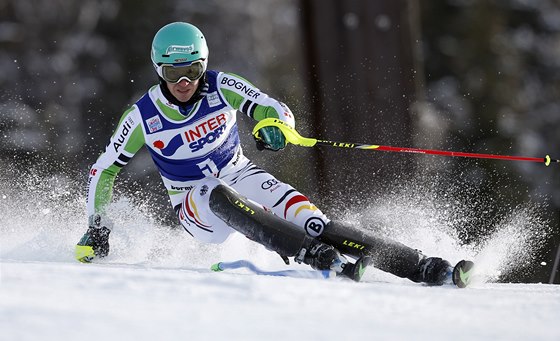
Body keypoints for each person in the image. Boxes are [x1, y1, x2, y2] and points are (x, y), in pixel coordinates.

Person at [75, 22, 472, 286]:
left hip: (239, 172)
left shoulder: (221, 85)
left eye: (192, 71)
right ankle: (312, 255)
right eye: (171, 74)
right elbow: (103, 170)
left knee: (314, 221)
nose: (183, 83)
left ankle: (424, 266)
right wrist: (97, 225)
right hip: (193, 202)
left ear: (204, 65)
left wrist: (272, 127)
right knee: (214, 194)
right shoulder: (142, 116)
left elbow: (271, 106)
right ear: (157, 70)